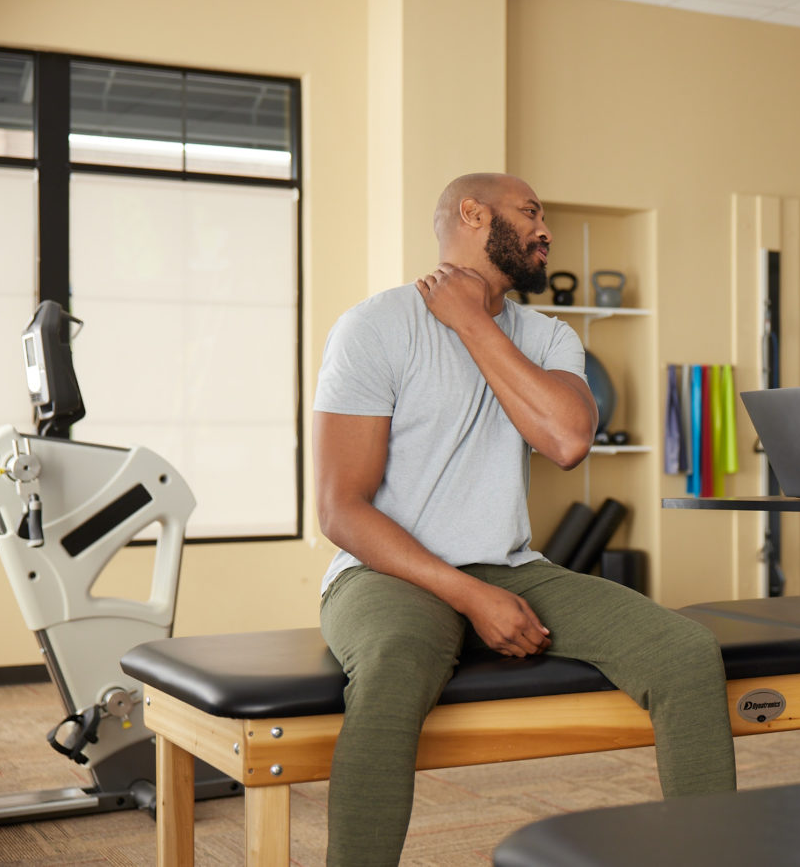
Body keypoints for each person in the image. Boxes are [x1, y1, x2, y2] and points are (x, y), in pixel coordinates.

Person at [312, 172, 736, 864]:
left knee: (684, 652)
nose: (545, 231)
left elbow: (568, 442)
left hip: (511, 566)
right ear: (473, 214)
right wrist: (470, 596)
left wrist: (473, 320)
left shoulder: (547, 336)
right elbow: (341, 509)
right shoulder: (375, 326)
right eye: (531, 213)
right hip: (386, 571)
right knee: (393, 666)